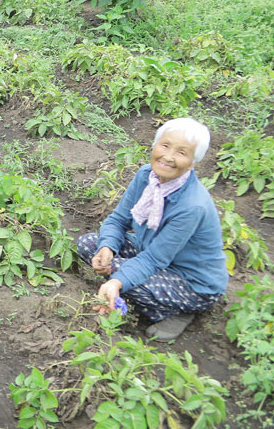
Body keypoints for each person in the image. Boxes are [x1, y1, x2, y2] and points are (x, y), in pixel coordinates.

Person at [77, 117, 228, 342]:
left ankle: (180, 312)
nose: (168, 157)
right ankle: (132, 295)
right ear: (155, 146)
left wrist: (116, 281)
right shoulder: (146, 176)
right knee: (90, 245)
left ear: (193, 162)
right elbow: (118, 220)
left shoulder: (192, 206)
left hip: (192, 281)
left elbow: (154, 260)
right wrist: (107, 246)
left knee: (118, 272)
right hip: (150, 251)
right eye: (165, 146)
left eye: (181, 152)